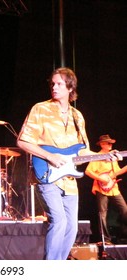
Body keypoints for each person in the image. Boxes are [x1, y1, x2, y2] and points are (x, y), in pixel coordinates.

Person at [16, 67, 119, 260]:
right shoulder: (41, 109)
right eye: (52, 84)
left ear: (70, 87)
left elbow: (82, 151)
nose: (54, 87)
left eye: (59, 84)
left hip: (69, 179)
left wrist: (104, 155)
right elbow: (22, 141)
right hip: (47, 174)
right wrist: (49, 156)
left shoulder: (77, 116)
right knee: (60, 221)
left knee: (72, 227)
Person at [85, 134, 127, 244]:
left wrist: (114, 175)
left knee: (124, 210)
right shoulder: (97, 157)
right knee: (102, 214)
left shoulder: (113, 156)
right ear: (102, 144)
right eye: (108, 143)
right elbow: (88, 171)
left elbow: (116, 172)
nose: (110, 145)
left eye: (111, 143)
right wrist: (101, 179)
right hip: (101, 188)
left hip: (113, 187)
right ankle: (105, 239)